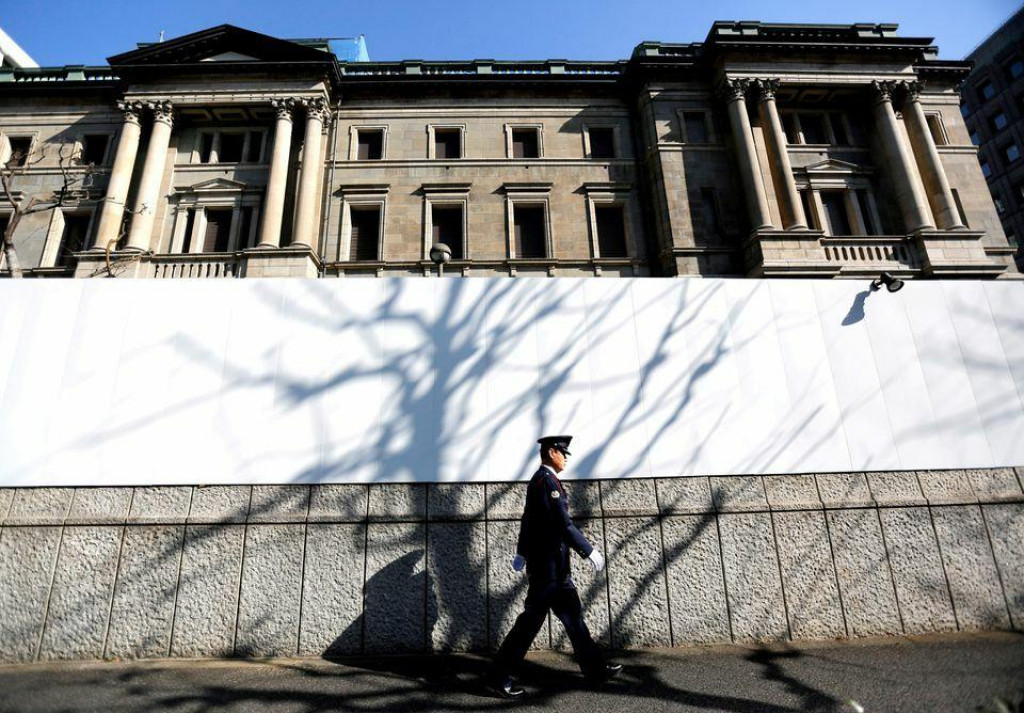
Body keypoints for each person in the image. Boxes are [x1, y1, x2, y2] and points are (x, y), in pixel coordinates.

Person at [487, 435, 622, 698]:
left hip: (555, 571)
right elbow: (563, 524)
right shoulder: (546, 481)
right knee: (528, 625)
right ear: (551, 452)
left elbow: (529, 520)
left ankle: (595, 670)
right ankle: (498, 677)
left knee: (575, 621)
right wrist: (589, 550)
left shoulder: (542, 480)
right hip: (547, 572)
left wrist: (522, 552)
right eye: (563, 453)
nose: (566, 458)